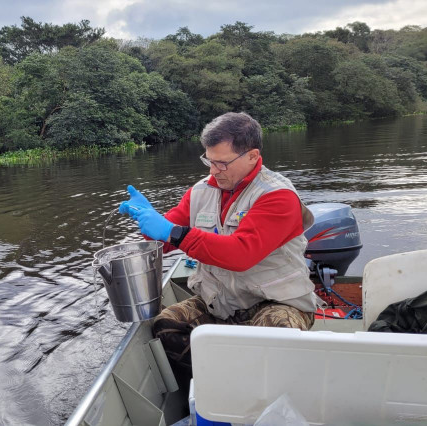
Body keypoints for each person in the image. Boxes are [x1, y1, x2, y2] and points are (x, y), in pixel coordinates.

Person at [119, 112, 316, 378]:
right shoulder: (200, 191)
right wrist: (147, 219)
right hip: (221, 304)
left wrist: (173, 232)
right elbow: (163, 242)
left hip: (276, 303)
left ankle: (261, 395)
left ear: (252, 156)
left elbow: (239, 254)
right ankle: (217, 384)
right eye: (209, 161)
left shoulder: (277, 196)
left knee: (277, 331)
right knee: (166, 326)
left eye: (222, 164)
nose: (213, 171)